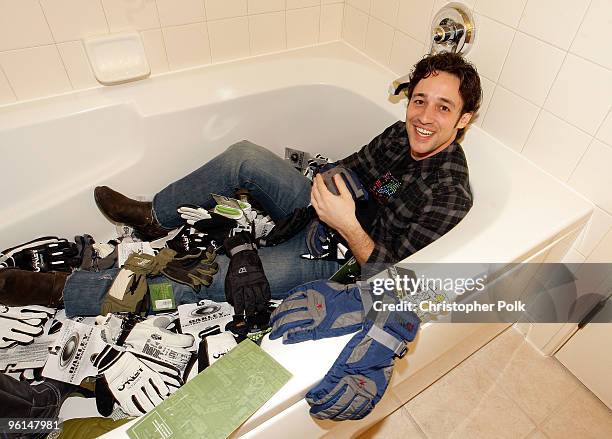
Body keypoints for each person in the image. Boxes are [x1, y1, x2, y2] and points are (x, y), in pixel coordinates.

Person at [0, 52, 482, 318]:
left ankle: (64, 291)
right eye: (419, 101)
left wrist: (347, 226)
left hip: (346, 264)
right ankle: (153, 217)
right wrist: (317, 190)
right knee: (245, 157)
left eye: (443, 107)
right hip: (329, 214)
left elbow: (390, 282)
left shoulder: (449, 195)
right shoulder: (404, 133)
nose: (423, 117)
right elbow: (351, 166)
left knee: (213, 276)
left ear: (464, 119)